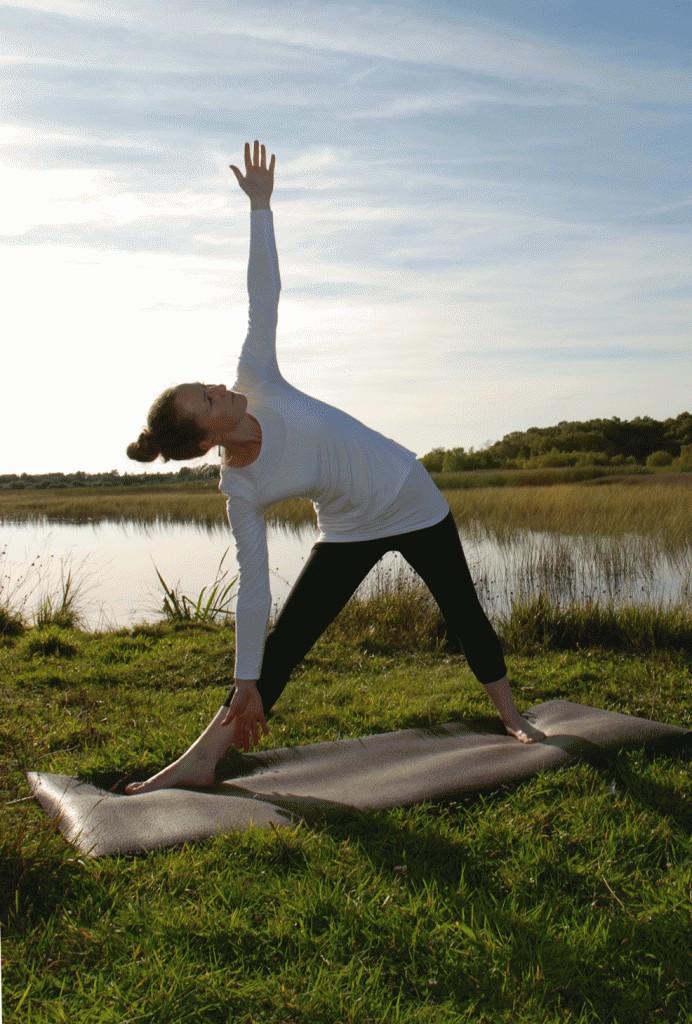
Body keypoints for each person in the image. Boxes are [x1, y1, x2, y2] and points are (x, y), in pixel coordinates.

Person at [124, 140, 544, 795]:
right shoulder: (241, 486)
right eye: (206, 399)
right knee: (286, 640)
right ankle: (204, 757)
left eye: (204, 383)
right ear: (206, 440)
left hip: (410, 496)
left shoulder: (256, 376)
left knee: (462, 609)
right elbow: (254, 588)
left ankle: (514, 719)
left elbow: (264, 292)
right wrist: (245, 681)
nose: (217, 387)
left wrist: (261, 208)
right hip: (349, 526)